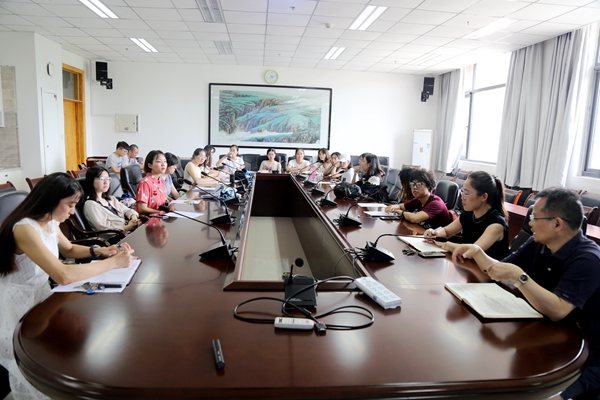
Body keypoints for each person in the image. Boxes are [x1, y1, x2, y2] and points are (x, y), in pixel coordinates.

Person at [452, 188, 600, 400]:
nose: (529, 223)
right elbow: (499, 270)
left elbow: (558, 310)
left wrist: (519, 277)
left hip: (584, 358)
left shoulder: (588, 259)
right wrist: (477, 253)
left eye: (534, 218)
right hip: (546, 335)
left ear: (557, 224)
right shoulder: (537, 244)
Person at [0, 173, 134, 398]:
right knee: (36, 366)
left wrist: (100, 251)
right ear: (51, 200)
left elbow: (69, 249)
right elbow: (62, 274)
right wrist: (113, 263)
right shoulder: (24, 229)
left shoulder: (50, 221)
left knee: (53, 355)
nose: (73, 212)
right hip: (16, 303)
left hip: (41, 296)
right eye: (70, 205)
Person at [423, 171, 509, 260]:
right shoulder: (469, 213)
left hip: (488, 268)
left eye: (466, 193)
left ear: (484, 197)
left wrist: (443, 244)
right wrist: (434, 234)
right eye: (462, 191)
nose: (462, 197)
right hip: (467, 264)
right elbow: (446, 231)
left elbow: (473, 251)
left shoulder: (496, 223)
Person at [385, 168, 451, 229]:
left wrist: (401, 212)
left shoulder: (436, 203)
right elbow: (401, 206)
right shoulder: (418, 199)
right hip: (424, 232)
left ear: (429, 186)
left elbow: (415, 218)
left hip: (437, 236)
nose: (414, 187)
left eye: (419, 184)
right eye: (412, 184)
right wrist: (393, 207)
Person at [83, 166, 141, 232]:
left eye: (108, 179)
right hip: (116, 236)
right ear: (91, 181)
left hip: (127, 231)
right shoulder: (90, 204)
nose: (106, 182)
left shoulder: (111, 199)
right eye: (102, 178)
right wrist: (127, 227)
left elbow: (126, 210)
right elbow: (102, 228)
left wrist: (134, 218)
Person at [136, 150, 176, 216]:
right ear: (150, 165)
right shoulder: (145, 183)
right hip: (149, 219)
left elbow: (165, 197)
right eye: (159, 161)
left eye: (165, 161)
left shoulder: (161, 181)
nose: (163, 164)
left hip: (162, 216)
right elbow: (142, 209)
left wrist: (172, 203)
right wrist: (161, 213)